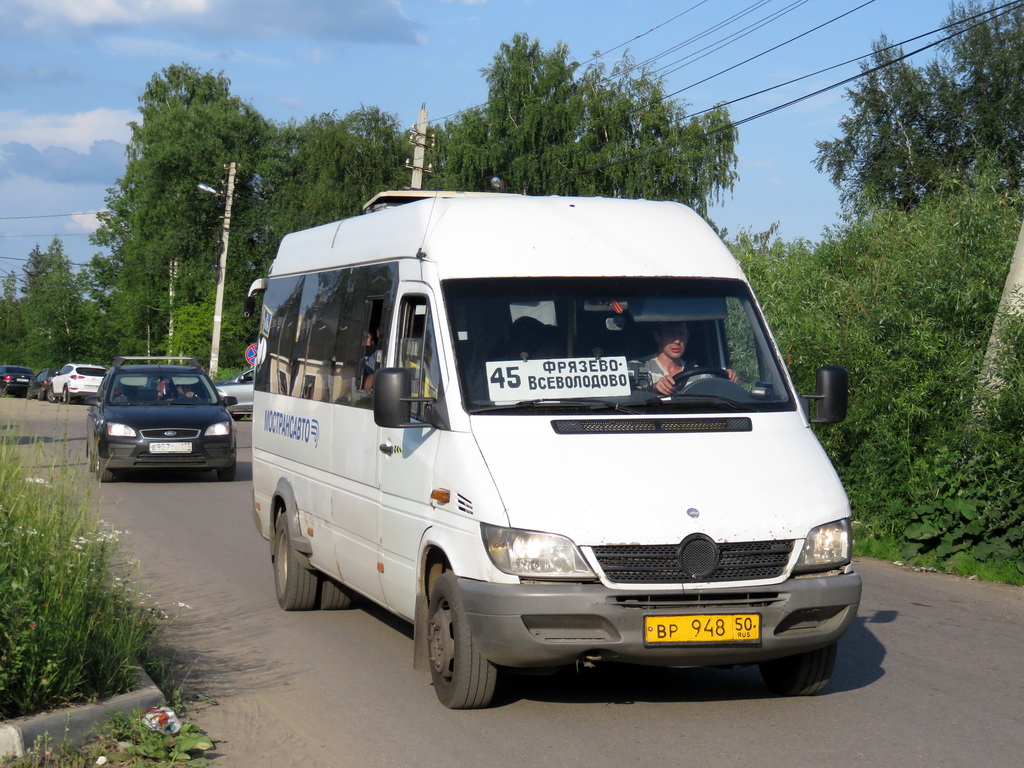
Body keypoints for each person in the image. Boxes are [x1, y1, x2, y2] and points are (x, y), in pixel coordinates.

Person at [639, 321, 738, 395]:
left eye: (681, 334)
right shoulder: (639, 368)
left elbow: (716, 396)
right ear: (657, 336)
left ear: (687, 337)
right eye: (670, 333)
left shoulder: (699, 374)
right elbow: (627, 398)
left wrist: (727, 382)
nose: (677, 341)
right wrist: (652, 388)